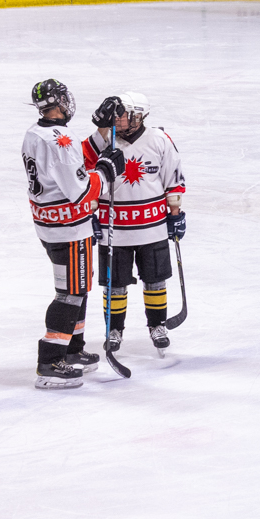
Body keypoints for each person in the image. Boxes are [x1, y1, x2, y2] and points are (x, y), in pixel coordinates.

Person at [24, 78, 122, 389]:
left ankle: (72, 349)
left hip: (51, 225)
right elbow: (80, 191)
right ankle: (50, 362)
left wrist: (101, 132)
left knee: (77, 287)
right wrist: (106, 171)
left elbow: (72, 161)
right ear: (59, 103)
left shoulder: (36, 133)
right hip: (69, 229)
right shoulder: (59, 141)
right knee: (71, 293)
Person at [83, 92, 186, 355]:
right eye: (114, 115)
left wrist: (175, 214)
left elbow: (173, 178)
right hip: (113, 228)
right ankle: (114, 329)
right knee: (114, 284)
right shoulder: (102, 140)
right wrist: (90, 214)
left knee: (155, 279)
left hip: (152, 226)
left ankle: (157, 326)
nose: (117, 119)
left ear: (138, 116)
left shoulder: (159, 139)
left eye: (122, 115)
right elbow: (84, 172)